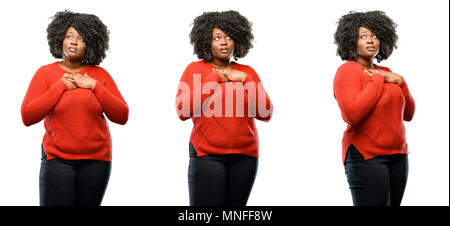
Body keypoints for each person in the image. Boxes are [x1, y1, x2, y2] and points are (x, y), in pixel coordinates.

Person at [21, 10, 129, 206]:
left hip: (97, 162)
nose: (73, 42)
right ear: (59, 39)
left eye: (81, 38)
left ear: (91, 44)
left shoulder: (100, 75)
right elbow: (27, 116)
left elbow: (122, 115)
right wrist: (61, 86)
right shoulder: (45, 73)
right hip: (57, 161)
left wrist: (94, 86)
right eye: (69, 36)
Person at [175, 10, 273, 206]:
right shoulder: (194, 69)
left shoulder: (247, 72)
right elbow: (183, 111)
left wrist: (246, 80)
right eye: (217, 37)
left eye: (229, 37)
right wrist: (215, 78)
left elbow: (265, 113)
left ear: (237, 39)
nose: (223, 42)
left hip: (245, 157)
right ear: (206, 41)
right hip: (206, 156)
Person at [333, 11, 415, 206]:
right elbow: (352, 114)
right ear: (351, 40)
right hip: (366, 157)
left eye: (375, 35)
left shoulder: (388, 73)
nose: (370, 41)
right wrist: (377, 78)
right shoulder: (347, 71)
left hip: (398, 156)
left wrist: (401, 83)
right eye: (363, 36)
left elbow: (408, 114)